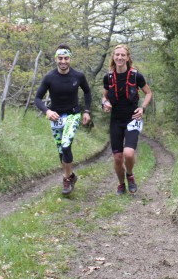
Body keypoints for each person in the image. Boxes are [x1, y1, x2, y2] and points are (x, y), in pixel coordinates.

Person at [34, 44, 92, 196]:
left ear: (70, 59)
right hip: (56, 117)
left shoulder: (78, 76)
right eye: (60, 58)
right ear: (56, 59)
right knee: (61, 150)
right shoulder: (49, 78)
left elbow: (87, 92)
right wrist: (47, 111)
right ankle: (71, 176)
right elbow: (37, 99)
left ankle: (66, 179)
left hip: (73, 115)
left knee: (66, 144)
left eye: (66, 58)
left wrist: (86, 111)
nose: (63, 61)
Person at [101, 44, 152, 195]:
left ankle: (130, 175)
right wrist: (105, 103)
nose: (120, 57)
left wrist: (142, 108)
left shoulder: (136, 76)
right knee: (117, 158)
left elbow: (148, 93)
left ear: (128, 57)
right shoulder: (108, 77)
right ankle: (121, 184)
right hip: (116, 120)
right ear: (113, 57)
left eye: (123, 55)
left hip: (132, 119)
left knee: (128, 153)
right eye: (117, 55)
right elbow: (104, 96)